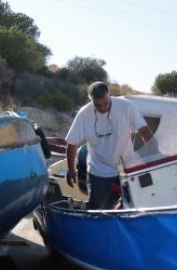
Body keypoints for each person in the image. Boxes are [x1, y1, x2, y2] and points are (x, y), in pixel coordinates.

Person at [65, 81, 153, 209]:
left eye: (105, 103)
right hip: (99, 172)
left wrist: (155, 155)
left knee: (132, 208)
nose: (102, 108)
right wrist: (71, 169)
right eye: (97, 105)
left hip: (126, 170)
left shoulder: (126, 106)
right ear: (91, 101)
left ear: (110, 95)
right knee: (100, 212)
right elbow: (72, 143)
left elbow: (144, 131)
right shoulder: (84, 114)